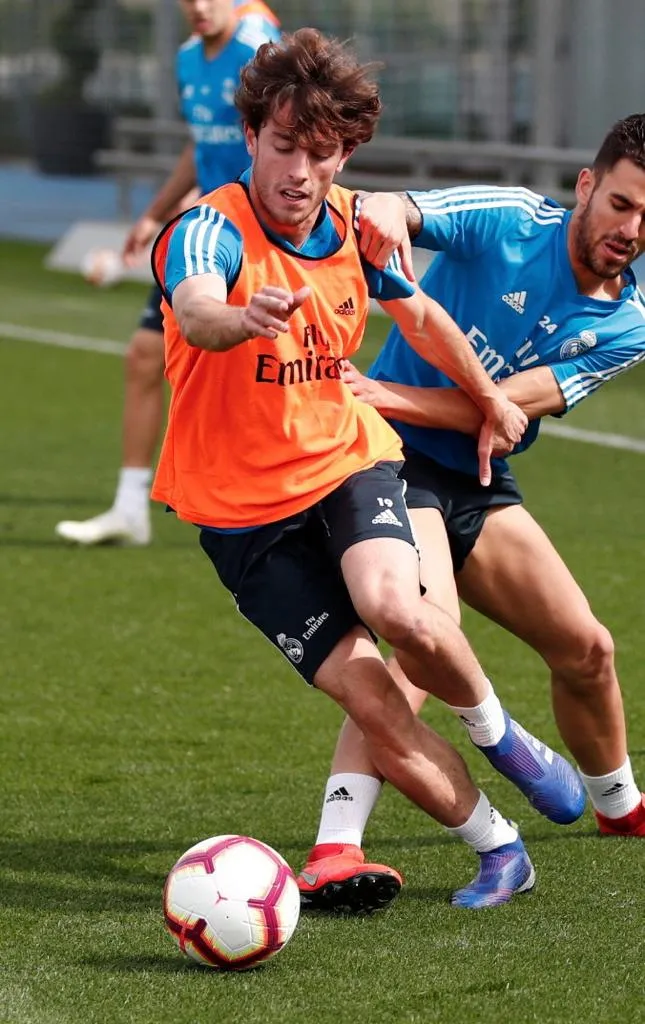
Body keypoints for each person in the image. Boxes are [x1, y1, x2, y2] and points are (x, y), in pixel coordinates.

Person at [147, 27, 586, 911]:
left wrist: (490, 398)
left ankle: (500, 734)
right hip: (241, 519)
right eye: (282, 147)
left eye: (320, 152)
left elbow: (419, 316)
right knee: (374, 699)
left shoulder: (351, 224)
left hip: (345, 464)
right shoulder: (207, 231)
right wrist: (244, 317)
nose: (299, 171)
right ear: (250, 140)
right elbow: (196, 309)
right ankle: (498, 847)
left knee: (401, 610)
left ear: (345, 153)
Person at [297, 112, 645, 912]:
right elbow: (399, 211)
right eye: (621, 204)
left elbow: (497, 411)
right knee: (424, 639)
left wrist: (388, 389)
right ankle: (335, 845)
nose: (629, 229)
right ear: (586, 186)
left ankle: (619, 806)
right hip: (391, 461)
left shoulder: (625, 322)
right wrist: (386, 211)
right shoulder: (513, 219)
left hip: (476, 480)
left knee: (588, 648)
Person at [55, 0, 281, 547]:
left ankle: (298, 497)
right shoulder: (187, 60)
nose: (199, 7)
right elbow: (201, 144)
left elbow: (288, 140)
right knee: (143, 355)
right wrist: (157, 212)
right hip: (204, 233)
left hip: (258, 239)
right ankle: (131, 507)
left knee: (266, 378)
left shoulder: (258, 46)